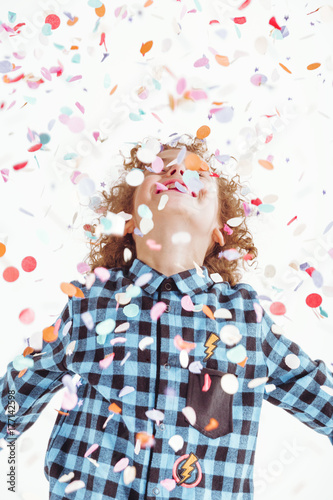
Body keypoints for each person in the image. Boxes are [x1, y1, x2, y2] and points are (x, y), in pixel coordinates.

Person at [0, 134, 332, 500]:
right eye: (156, 167)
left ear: (221, 230)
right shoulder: (90, 302)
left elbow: (317, 392)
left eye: (198, 171)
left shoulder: (246, 318)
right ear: (127, 221)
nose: (176, 169)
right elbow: (18, 389)